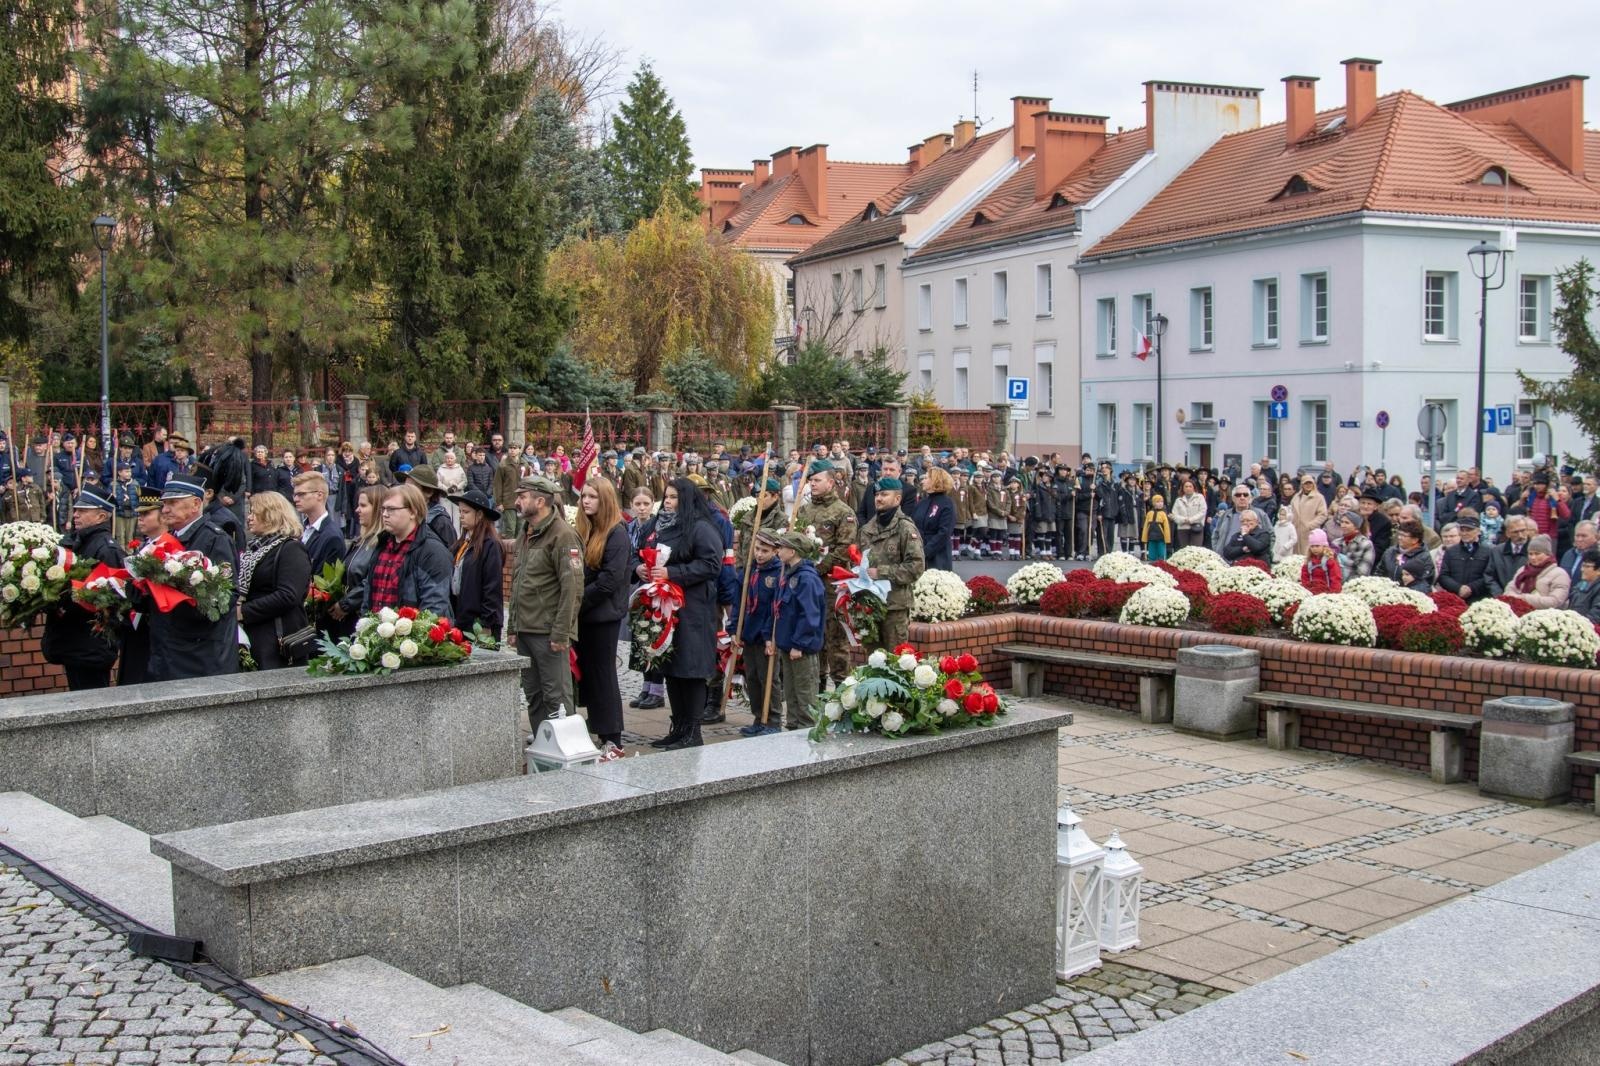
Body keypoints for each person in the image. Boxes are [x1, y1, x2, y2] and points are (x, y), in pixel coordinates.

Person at [636, 478, 722, 750]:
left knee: (691, 669)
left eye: (674, 497)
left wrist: (673, 573)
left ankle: (693, 730)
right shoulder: (661, 527)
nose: (668, 502)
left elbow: (711, 564)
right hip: (667, 608)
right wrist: (641, 568)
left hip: (694, 609)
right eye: (667, 497)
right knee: (671, 668)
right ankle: (679, 726)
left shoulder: (701, 527)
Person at [145, 474, 240, 682]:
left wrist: (185, 598)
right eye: (164, 504)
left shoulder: (215, 539)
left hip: (200, 656)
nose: (165, 509)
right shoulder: (166, 540)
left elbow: (226, 596)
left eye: (173, 503)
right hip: (169, 651)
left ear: (196, 504)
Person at [509, 474, 583, 727]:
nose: (517, 501)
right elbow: (519, 583)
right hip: (526, 629)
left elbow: (572, 588)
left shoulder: (562, 535)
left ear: (540, 501)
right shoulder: (526, 533)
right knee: (534, 694)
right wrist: (512, 627)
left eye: (522, 497)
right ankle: (543, 744)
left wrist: (561, 632)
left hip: (548, 631)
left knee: (557, 697)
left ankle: (564, 748)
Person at [41, 487, 126, 690]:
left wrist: (66, 604)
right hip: (76, 643)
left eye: (83, 511)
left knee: (94, 705)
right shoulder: (77, 542)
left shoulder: (106, 549)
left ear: (101, 516)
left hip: (90, 645)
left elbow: (112, 600)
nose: (76, 514)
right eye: (76, 510)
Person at [575, 478, 631, 759]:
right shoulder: (587, 529)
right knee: (591, 677)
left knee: (604, 676)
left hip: (603, 616)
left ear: (605, 500)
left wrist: (577, 601)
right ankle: (598, 730)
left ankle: (613, 737)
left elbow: (610, 580)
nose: (586, 501)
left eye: (593, 497)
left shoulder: (616, 533)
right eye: (584, 496)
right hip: (586, 614)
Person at [793, 461, 857, 687]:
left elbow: (844, 549)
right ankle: (816, 684)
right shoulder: (804, 510)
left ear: (831, 482)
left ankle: (842, 687)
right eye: (811, 480)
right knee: (814, 631)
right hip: (808, 583)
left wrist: (817, 569)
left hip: (831, 583)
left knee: (835, 636)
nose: (813, 484)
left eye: (817, 480)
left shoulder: (843, 512)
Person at [238, 490, 314, 670]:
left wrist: (243, 612)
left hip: (277, 639)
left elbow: (288, 595)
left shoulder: (291, 549)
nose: (249, 518)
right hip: (256, 633)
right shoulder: (255, 548)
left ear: (271, 515)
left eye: (254, 512)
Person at [854, 476, 925, 653]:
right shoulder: (866, 530)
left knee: (896, 660)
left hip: (894, 606)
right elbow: (856, 560)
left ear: (897, 498)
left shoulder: (905, 528)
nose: (878, 498)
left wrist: (881, 572)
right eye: (876, 494)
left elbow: (916, 566)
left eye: (884, 494)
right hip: (870, 606)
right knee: (873, 660)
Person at [365, 482, 452, 615]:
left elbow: (433, 610)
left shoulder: (433, 551)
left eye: (391, 509)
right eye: (383, 509)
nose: (384, 514)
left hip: (411, 633)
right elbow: (369, 594)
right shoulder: (382, 543)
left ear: (413, 512)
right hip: (376, 632)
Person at [772, 529, 825, 731]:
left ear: (792, 551)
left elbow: (809, 616)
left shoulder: (806, 579)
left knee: (805, 693)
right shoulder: (788, 574)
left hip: (800, 648)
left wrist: (799, 644)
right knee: (791, 693)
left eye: (782, 547)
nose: (778, 551)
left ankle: (807, 730)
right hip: (788, 644)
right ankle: (793, 728)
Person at [735, 530, 784, 736]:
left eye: (765, 550)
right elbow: (739, 602)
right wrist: (733, 629)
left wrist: (768, 637)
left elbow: (774, 608)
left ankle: (772, 719)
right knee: (753, 677)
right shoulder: (749, 571)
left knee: (769, 678)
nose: (759, 554)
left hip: (767, 635)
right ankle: (758, 716)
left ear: (775, 551)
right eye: (757, 549)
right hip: (749, 632)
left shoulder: (778, 573)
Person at [117, 486, 166, 686]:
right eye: (139, 514)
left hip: (150, 631)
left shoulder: (167, 547)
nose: (140, 518)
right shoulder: (147, 545)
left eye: (146, 513)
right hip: (136, 628)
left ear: (163, 516)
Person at [626, 487, 666, 711]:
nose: (642, 508)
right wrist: (636, 566)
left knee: (654, 637)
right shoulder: (628, 527)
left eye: (646, 504)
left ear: (653, 505)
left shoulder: (658, 526)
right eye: (638, 504)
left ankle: (657, 689)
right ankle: (646, 685)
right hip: (639, 586)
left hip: (657, 588)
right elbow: (629, 555)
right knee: (641, 639)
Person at [329, 484, 387, 636]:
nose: (357, 510)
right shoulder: (361, 540)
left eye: (363, 505)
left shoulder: (382, 543)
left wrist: (346, 604)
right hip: (349, 617)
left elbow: (370, 580)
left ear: (377, 509)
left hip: (362, 618)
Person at [450, 488, 505, 635]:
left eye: (466, 512)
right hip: (461, 618)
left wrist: (487, 623)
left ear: (480, 515)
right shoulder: (461, 543)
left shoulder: (490, 544)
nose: (461, 516)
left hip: (480, 623)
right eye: (460, 511)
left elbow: (492, 587)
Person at [292, 471, 346, 577]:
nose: (295, 499)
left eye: (301, 494)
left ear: (319, 495)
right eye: (294, 494)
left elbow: (323, 584)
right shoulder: (300, 529)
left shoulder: (332, 537)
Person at [1437, 511, 1493, 602]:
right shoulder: (1451, 551)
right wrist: (1458, 588)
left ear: (1478, 531)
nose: (1464, 533)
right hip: (1454, 599)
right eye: (1462, 530)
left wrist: (1471, 588)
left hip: (1479, 599)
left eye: (1469, 530)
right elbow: (1443, 575)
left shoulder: (1488, 551)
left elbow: (1489, 576)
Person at [1502, 534, 1569, 609]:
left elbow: (1554, 601)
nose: (1533, 557)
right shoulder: (1523, 570)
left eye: (1537, 554)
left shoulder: (1560, 574)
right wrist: (1514, 598)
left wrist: (1523, 598)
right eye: (1530, 554)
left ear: (1548, 554)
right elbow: (1509, 589)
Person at [403, 464, 458, 547]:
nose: (404, 492)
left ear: (428, 492)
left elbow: (451, 554)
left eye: (410, 488)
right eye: (404, 487)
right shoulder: (404, 514)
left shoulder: (441, 521)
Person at [917, 466, 956, 570]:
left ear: (936, 480)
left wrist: (926, 551)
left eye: (926, 478)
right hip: (918, 551)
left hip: (938, 555)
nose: (922, 481)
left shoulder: (947, 503)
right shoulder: (921, 503)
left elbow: (945, 531)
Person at [1380, 520, 1435, 592]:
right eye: (1399, 534)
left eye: (1404, 536)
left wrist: (1404, 592)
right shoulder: (1390, 552)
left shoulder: (1424, 557)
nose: (1399, 537)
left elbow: (1426, 582)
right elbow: (1380, 572)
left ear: (1415, 540)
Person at [1171, 480, 1207, 550]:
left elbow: (1202, 511)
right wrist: (1184, 520)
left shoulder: (1200, 497)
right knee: (1185, 551)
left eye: (1190, 486)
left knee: (1195, 550)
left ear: (1194, 487)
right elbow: (1174, 514)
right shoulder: (1178, 500)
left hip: (1196, 527)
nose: (1188, 488)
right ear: (1183, 488)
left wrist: (1191, 520)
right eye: (1186, 486)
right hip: (1182, 528)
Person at [1567, 548, 1600, 622]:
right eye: (1582, 566)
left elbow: (1595, 616)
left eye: (1587, 566)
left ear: (1598, 570)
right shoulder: (1579, 585)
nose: (1582, 569)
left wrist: (1577, 623)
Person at [1141, 494, 1172, 562]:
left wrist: (1167, 539)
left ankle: (1161, 564)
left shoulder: (1163, 514)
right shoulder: (1149, 513)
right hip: (1151, 537)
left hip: (1161, 538)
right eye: (1158, 502)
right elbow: (1146, 526)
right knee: (1151, 553)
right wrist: (1144, 538)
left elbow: (1166, 527)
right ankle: (1152, 564)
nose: (1160, 503)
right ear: (1154, 503)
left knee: (1161, 553)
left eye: (1161, 502)